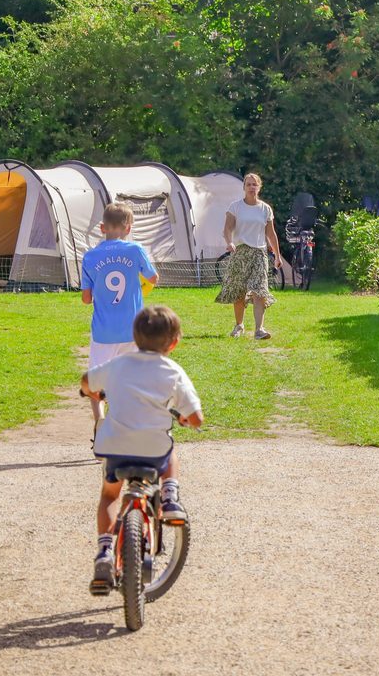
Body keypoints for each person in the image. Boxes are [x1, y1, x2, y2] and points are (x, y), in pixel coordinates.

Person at [79, 305, 203, 595]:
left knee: (110, 494)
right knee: (169, 448)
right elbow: (196, 417)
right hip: (152, 449)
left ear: (134, 339)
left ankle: (105, 551)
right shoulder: (173, 371)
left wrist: (91, 391)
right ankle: (170, 496)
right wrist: (187, 419)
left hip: (115, 446)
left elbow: (86, 381)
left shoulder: (118, 365)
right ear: (174, 343)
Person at [80, 202, 160, 429]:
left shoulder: (90, 257)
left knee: (96, 378)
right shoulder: (135, 250)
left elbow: (86, 299)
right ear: (129, 228)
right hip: (132, 329)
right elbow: (153, 278)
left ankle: (99, 422)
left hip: (103, 331)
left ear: (102, 228)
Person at [216, 172, 284, 339]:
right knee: (239, 291)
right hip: (240, 252)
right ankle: (239, 326)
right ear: (244, 188)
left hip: (259, 254)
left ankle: (259, 330)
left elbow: (271, 233)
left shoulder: (265, 209)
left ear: (259, 187)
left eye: (254, 184)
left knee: (259, 291)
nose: (252, 187)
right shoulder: (236, 207)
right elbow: (227, 228)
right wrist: (229, 241)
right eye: (248, 184)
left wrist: (277, 256)